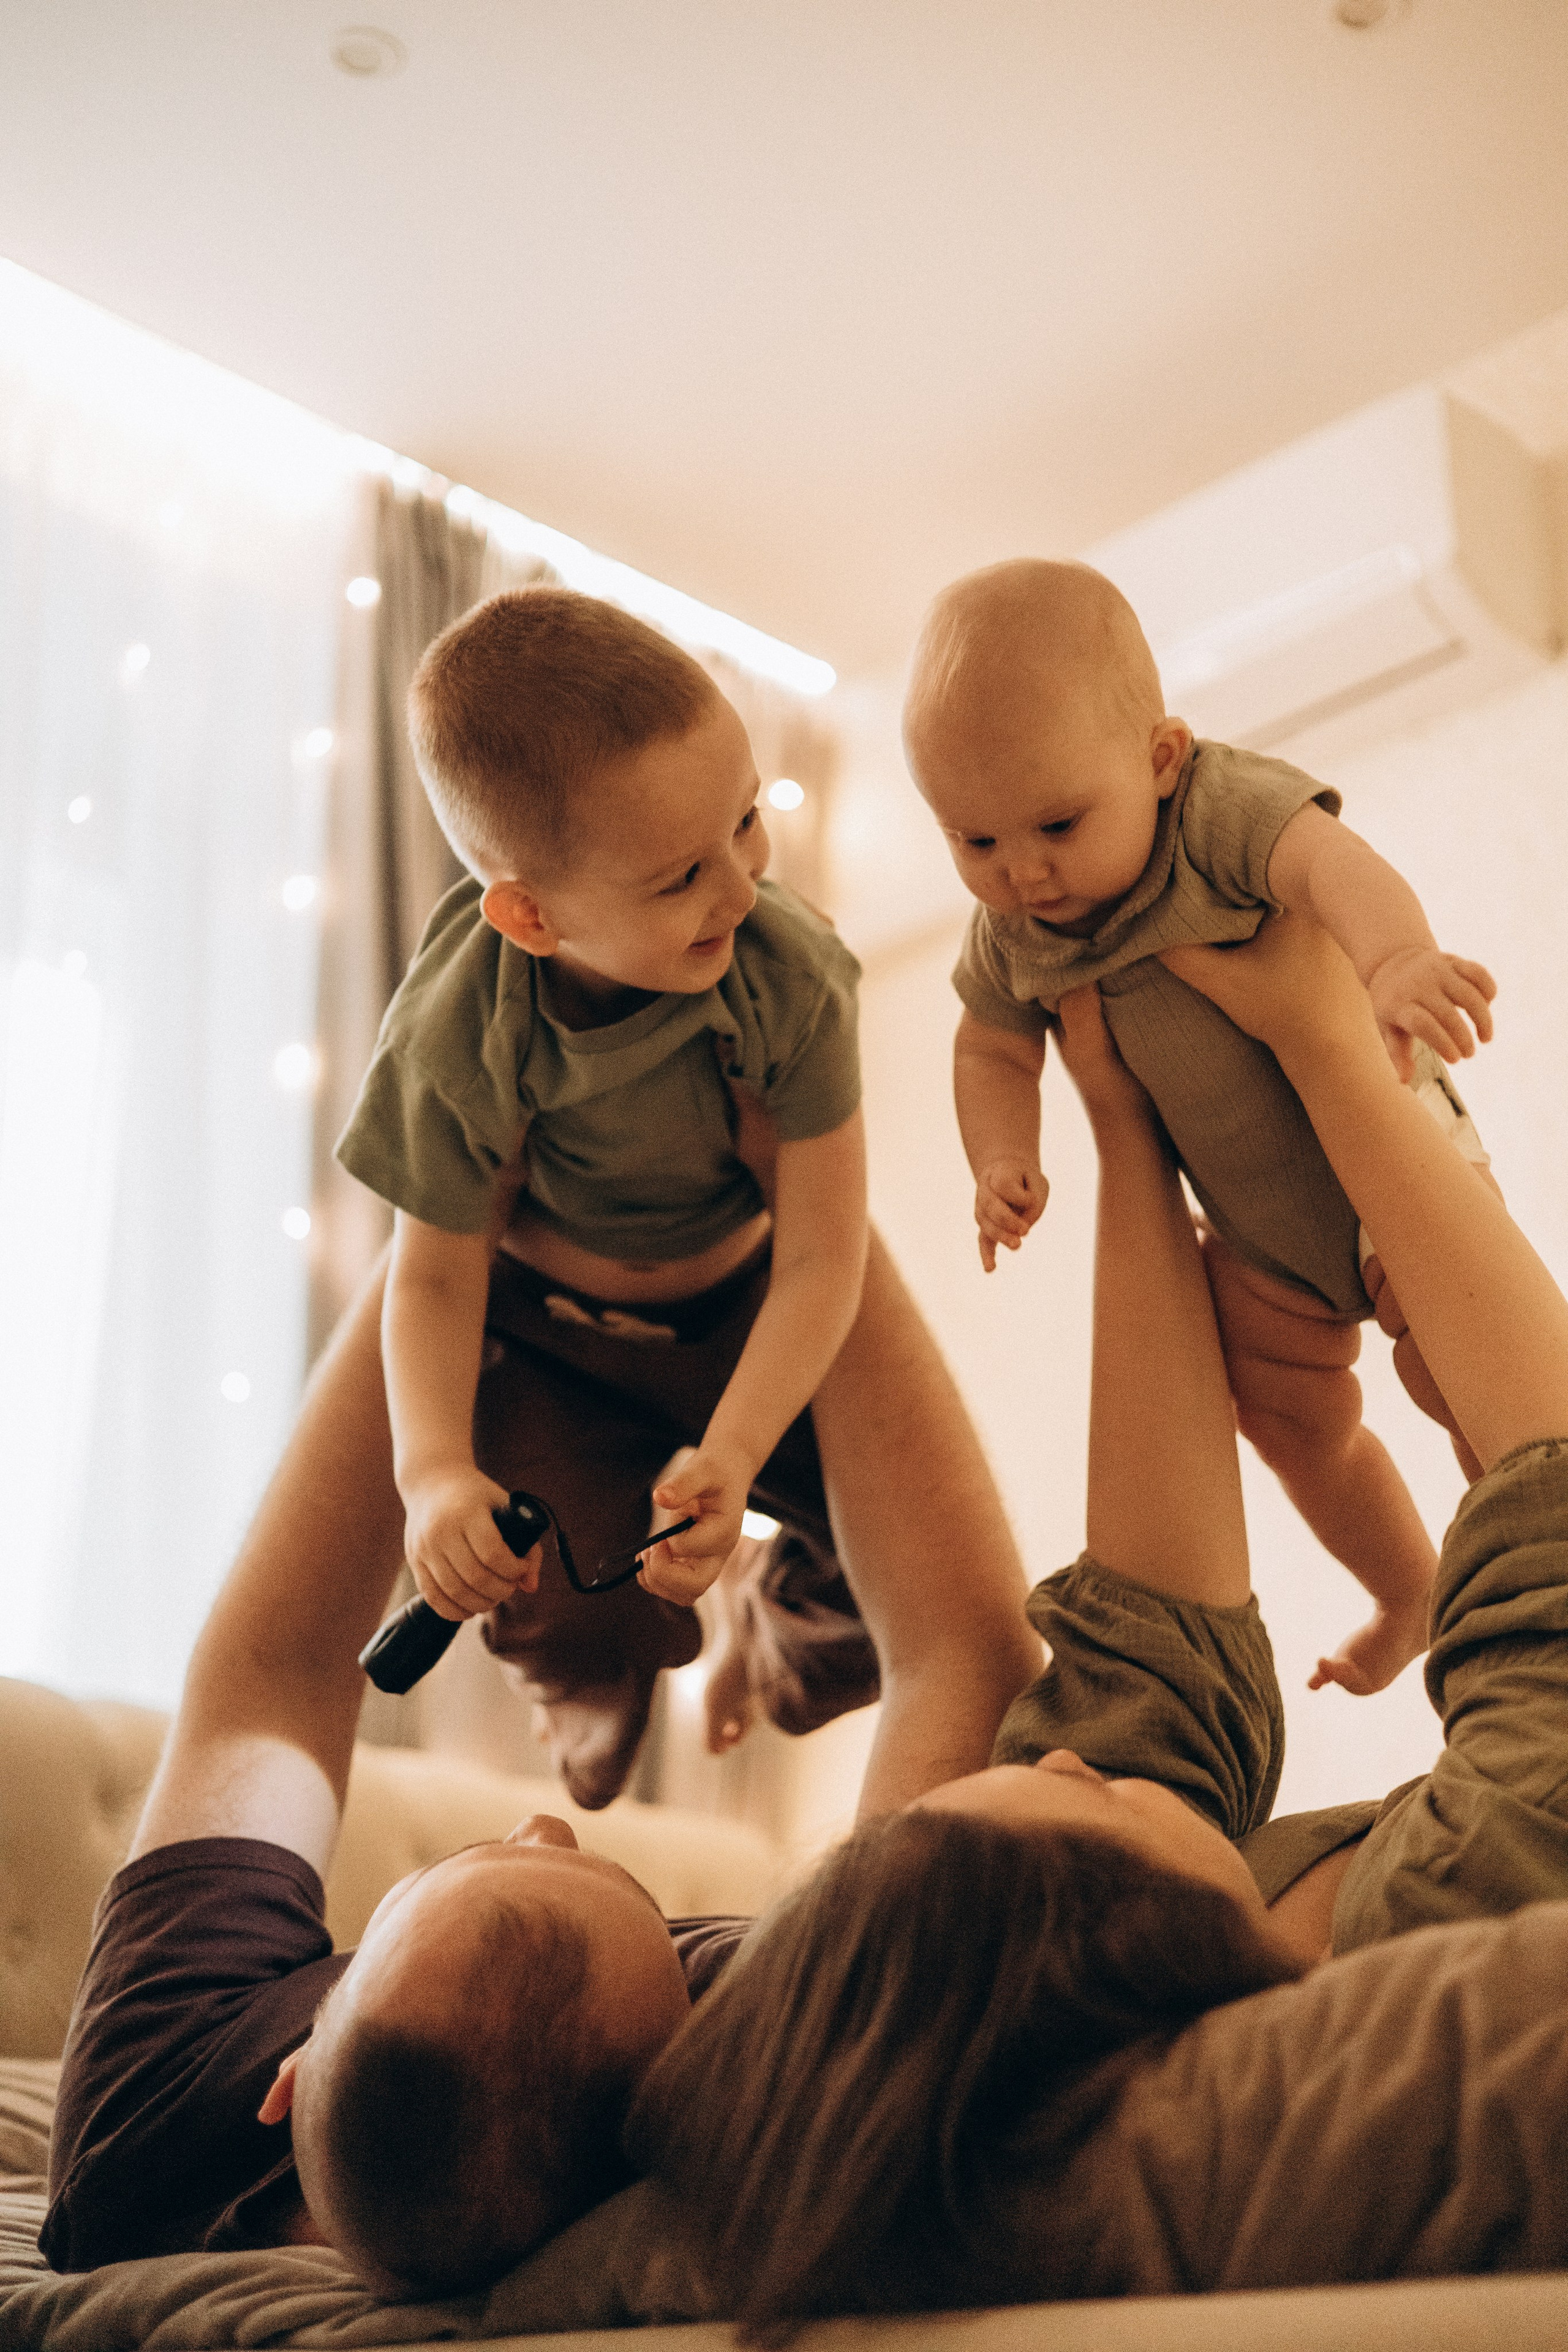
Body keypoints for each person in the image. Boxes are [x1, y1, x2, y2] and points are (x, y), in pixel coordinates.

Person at [629, 913, 1568, 2331]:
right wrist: (1323, 1050)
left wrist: (1122, 1122)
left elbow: (1149, 1623)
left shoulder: (1114, 1902)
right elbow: (1550, 1500)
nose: (1061, 1757)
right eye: (1076, 1788)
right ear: (1119, 1988)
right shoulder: (1453, 1902)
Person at [42, 1219, 1038, 2293]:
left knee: (521, 1478)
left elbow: (274, 1687)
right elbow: (967, 1656)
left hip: (533, 1377)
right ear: (679, 2095)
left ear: (292, 2074)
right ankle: (750, 1623)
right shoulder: (761, 2026)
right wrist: (811, 1228)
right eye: (614, 1881)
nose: (544, 1821)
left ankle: (648, 1652)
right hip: (725, 1428)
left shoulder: (145, 2130)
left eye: (465, 1864)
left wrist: (445, 1216)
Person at [902, 557, 1498, 1696]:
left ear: (1160, 760)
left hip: (1392, 1171)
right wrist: (1002, 1155)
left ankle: (1523, 1548)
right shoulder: (1018, 934)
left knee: (1459, 1376)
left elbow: (1333, 867)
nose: (1022, 873)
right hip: (1262, 1244)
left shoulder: (1218, 814)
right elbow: (990, 1046)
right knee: (1284, 1420)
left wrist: (1397, 959)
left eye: (1057, 824)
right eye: (973, 844)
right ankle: (1407, 1588)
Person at [337, 584, 889, 1806]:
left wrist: (737, 1450)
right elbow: (430, 1275)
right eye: (681, 875)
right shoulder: (459, 1031)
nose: (740, 889)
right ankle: (586, 1682)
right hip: (558, 1347)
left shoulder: (786, 975)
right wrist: (432, 1472)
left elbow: (823, 1254)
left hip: (746, 1309)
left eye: (745, 822)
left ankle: (771, 1628)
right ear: (530, 916)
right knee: (557, 1599)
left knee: (881, 1581)